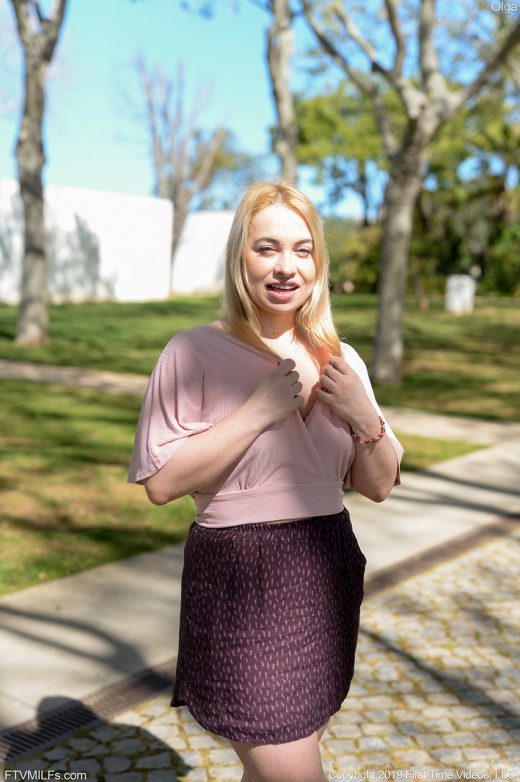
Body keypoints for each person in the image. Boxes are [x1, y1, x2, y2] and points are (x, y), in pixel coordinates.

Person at [127, 182, 404, 782]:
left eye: (302, 250)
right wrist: (255, 412)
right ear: (241, 257)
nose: (286, 267)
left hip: (326, 571)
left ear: (318, 263)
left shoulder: (341, 358)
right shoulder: (192, 353)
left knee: (275, 764)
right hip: (241, 582)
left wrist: (365, 417)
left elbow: (379, 485)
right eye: (267, 248)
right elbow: (161, 484)